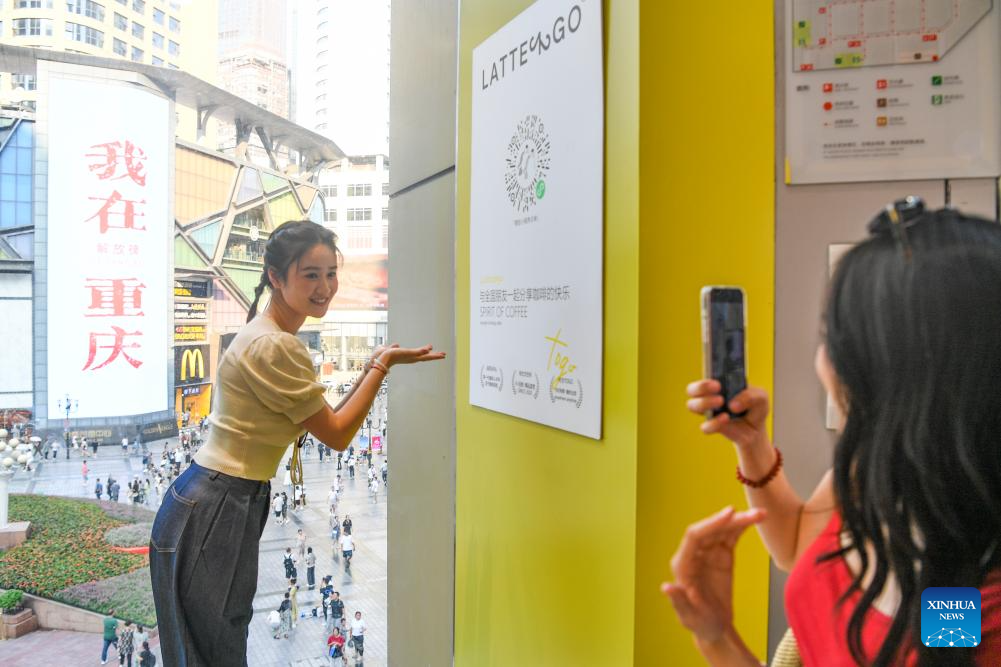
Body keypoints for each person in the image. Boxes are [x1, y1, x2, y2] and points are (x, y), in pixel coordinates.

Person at [665, 203, 1001, 665]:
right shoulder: (876, 468)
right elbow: (798, 545)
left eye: (835, 338)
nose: (822, 359)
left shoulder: (967, 606)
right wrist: (751, 443)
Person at [150, 220, 443, 666]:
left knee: (202, 649)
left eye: (330, 274)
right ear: (276, 276)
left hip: (209, 500)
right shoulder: (276, 347)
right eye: (310, 274)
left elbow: (326, 417)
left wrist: (372, 366)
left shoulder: (269, 336)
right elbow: (339, 434)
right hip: (219, 504)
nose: (325, 287)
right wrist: (381, 366)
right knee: (216, 651)